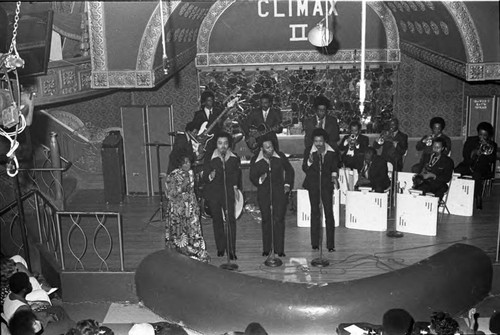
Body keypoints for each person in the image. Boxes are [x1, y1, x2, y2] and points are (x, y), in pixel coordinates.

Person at [249, 134, 294, 257]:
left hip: (279, 192)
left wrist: (287, 185)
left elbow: (290, 171)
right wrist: (259, 180)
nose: (270, 149)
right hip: (264, 193)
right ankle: (267, 248)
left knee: (279, 220)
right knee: (266, 220)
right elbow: (252, 177)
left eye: (271, 146)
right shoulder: (255, 160)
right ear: (261, 149)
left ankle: (279, 249)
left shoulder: (280, 156)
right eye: (267, 147)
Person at [165, 152, 210, 262]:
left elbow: (191, 192)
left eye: (188, 162)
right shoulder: (173, 175)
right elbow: (169, 194)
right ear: (179, 164)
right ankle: (178, 254)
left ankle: (194, 252)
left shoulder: (190, 173)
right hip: (177, 207)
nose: (187, 164)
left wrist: (196, 207)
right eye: (184, 162)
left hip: (190, 206)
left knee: (193, 229)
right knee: (178, 231)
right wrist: (180, 191)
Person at [202, 132, 241, 260]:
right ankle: (220, 248)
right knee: (217, 220)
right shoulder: (210, 157)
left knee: (230, 220)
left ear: (229, 144)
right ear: (216, 144)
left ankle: (231, 250)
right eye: (220, 143)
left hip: (228, 192)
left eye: (225, 143)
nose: (222, 146)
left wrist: (235, 188)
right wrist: (210, 176)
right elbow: (204, 177)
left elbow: (236, 175)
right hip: (214, 193)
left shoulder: (234, 158)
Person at [302, 128, 340, 252]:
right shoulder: (309, 151)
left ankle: (330, 245)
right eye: (316, 141)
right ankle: (315, 243)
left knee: (329, 213)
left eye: (320, 141)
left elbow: (334, 167)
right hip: (313, 185)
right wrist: (309, 161)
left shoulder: (331, 152)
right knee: (315, 212)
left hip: (326, 185)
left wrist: (334, 177)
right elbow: (304, 168)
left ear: (325, 141)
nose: (318, 144)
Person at [455, 122, 497, 210]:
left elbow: (492, 160)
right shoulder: (470, 140)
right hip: (468, 164)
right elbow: (465, 155)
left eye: (485, 135)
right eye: (480, 134)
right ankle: (456, 195)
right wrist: (473, 153)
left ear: (488, 135)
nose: (482, 137)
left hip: (482, 167)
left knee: (477, 175)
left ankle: (478, 197)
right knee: (456, 171)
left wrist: (485, 152)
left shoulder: (492, 145)